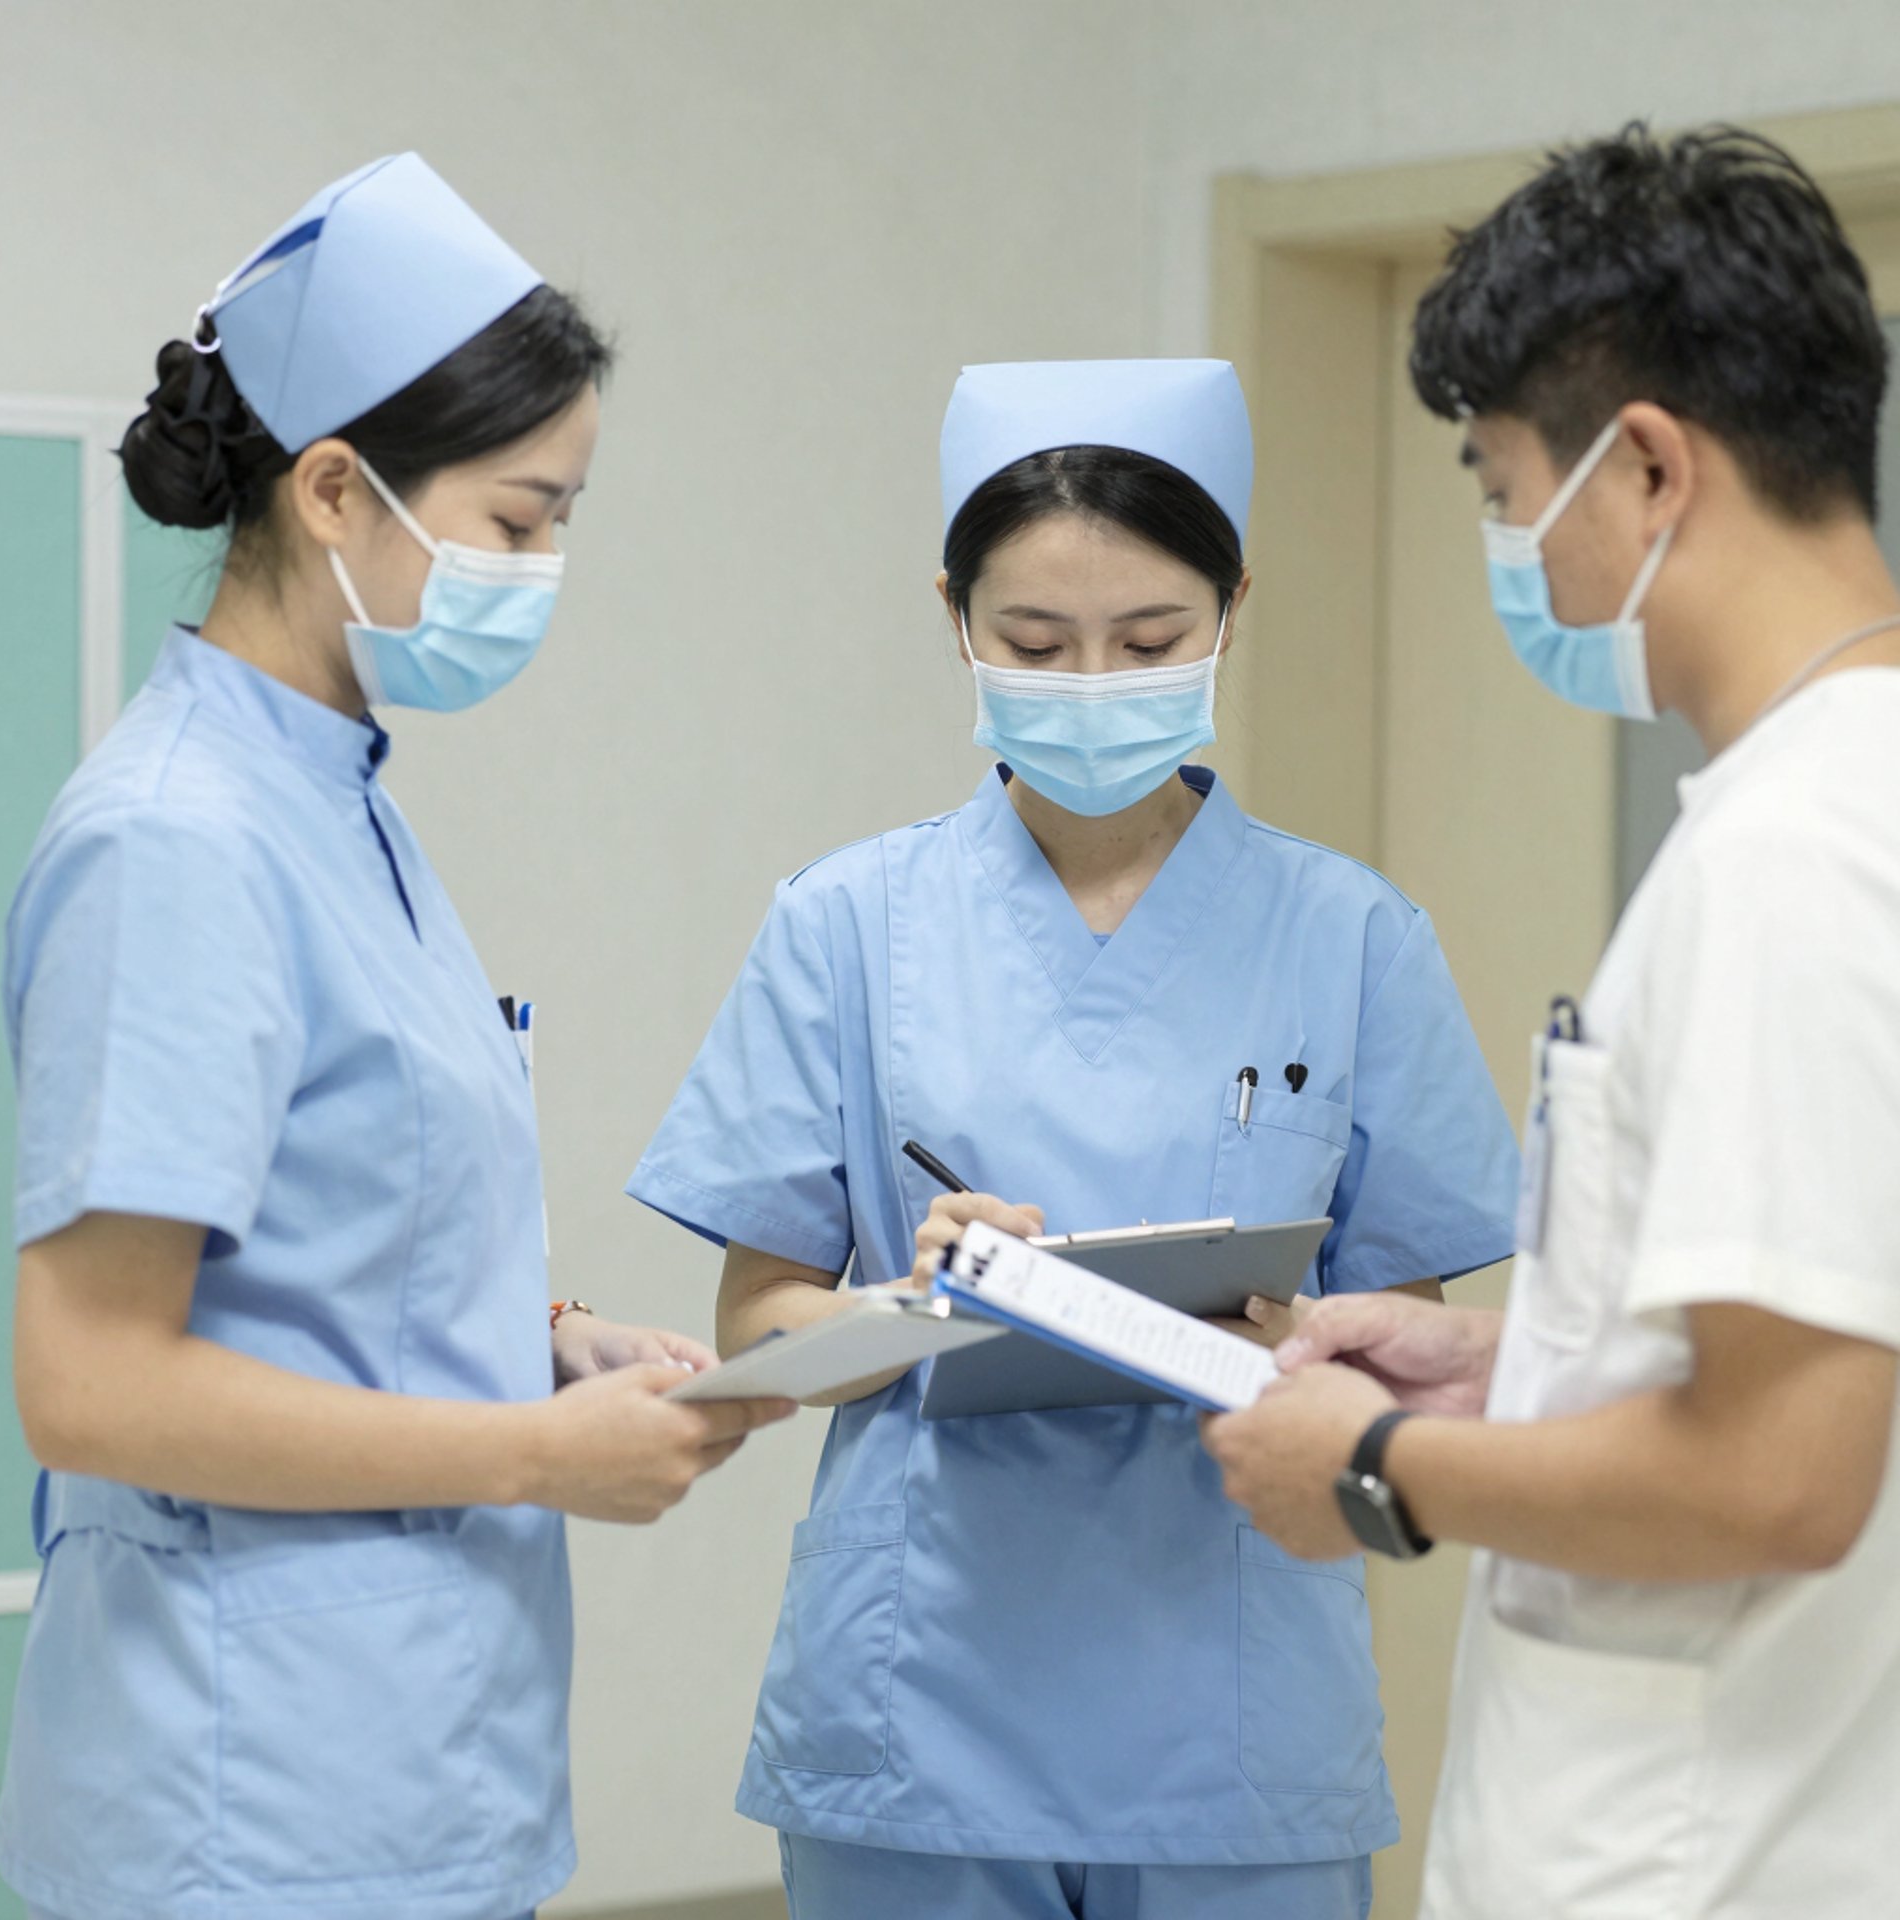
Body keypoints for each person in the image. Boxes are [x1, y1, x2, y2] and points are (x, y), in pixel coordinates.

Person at [0, 153, 791, 1920]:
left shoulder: (344, 807)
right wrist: (530, 1450)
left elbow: (327, 1245)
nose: (546, 568)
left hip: (411, 1774)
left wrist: (545, 1343)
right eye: (517, 520)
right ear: (338, 490)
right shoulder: (176, 840)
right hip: (242, 1803)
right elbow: (93, 1381)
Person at [626, 359, 1519, 1920]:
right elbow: (759, 1332)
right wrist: (911, 1306)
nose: (1091, 680)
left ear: (1232, 609)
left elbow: (1414, 1347)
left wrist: (1290, 1334)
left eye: (1150, 640)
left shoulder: (1352, 934)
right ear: (956, 620)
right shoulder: (847, 925)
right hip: (922, 1710)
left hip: (1236, 1715)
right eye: (1034, 643)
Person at [1204, 125, 1900, 1920]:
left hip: (1700, 1851)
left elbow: (1779, 1476)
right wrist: (1523, 1367)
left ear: (1649, 466)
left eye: (1508, 486)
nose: (1513, 543)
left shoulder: (1792, 859)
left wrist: (1372, 1467)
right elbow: (1825, 1350)